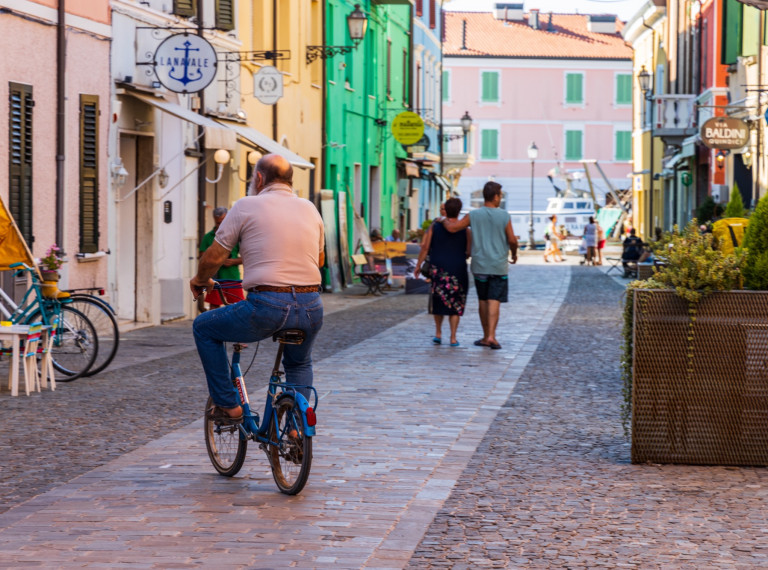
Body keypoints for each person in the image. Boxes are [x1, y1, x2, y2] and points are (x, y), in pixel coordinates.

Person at [190, 154, 325, 423]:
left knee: (204, 327)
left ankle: (229, 405)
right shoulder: (310, 208)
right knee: (299, 363)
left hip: (268, 306)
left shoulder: (246, 205)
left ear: (259, 179)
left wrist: (200, 280)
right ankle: (296, 430)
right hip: (312, 306)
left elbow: (215, 256)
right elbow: (319, 260)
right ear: (290, 180)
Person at [442, 181, 518, 350]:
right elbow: (512, 240)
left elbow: (453, 228)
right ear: (496, 196)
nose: (500, 198)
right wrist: (514, 254)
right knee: (494, 299)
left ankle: (485, 337)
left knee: (483, 300)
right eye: (500, 195)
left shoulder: (473, 215)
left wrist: (442, 221)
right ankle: (492, 336)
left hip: (480, 265)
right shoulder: (504, 216)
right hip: (498, 265)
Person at [414, 198, 471, 347]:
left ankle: (438, 333)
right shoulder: (466, 230)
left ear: (446, 209)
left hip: (438, 268)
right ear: (459, 211)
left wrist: (418, 265)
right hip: (458, 268)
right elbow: (468, 252)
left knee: (438, 300)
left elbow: (425, 246)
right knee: (456, 303)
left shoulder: (435, 226)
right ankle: (453, 337)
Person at [198, 207, 244, 310]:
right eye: (218, 223)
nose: (220, 226)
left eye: (223, 222)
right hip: (214, 278)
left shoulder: (237, 235)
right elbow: (202, 257)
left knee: (238, 306)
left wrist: (233, 261)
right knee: (214, 306)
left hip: (232, 278)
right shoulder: (208, 237)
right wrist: (215, 260)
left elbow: (248, 257)